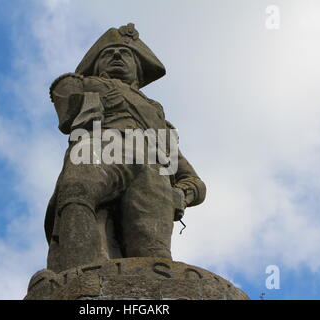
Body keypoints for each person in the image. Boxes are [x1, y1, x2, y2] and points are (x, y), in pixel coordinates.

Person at [45, 23, 206, 272]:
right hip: (100, 147)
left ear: (138, 69)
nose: (118, 56)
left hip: (153, 167)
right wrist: (72, 87)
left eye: (126, 54)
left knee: (154, 254)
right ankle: (77, 273)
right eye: (109, 54)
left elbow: (192, 179)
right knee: (76, 192)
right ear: (97, 65)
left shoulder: (157, 114)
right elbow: (67, 110)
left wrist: (183, 194)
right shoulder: (84, 83)